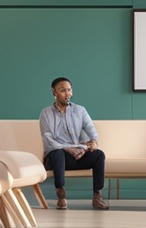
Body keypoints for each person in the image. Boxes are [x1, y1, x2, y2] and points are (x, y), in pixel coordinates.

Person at [39, 77, 107, 210]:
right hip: (56, 158)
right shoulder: (45, 113)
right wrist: (69, 148)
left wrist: (93, 143)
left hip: (75, 156)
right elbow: (48, 140)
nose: (67, 93)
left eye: (69, 90)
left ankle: (97, 195)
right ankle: (61, 194)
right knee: (57, 152)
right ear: (54, 92)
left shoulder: (80, 110)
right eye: (63, 90)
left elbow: (92, 130)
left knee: (99, 155)